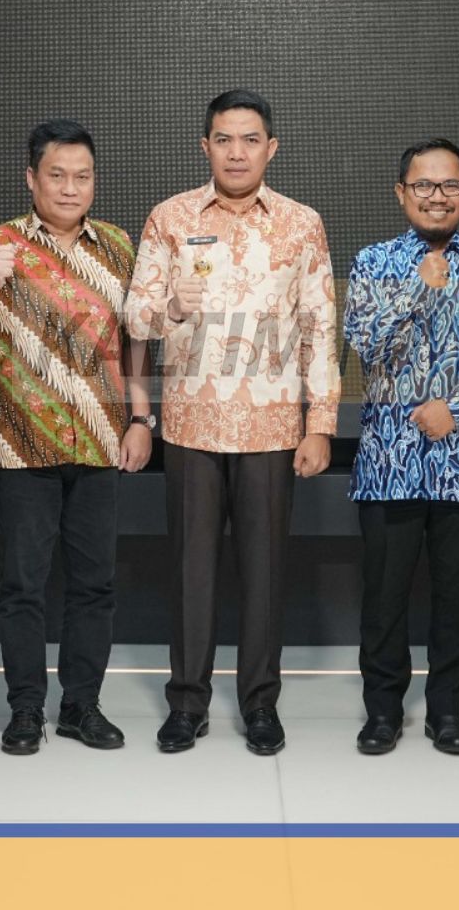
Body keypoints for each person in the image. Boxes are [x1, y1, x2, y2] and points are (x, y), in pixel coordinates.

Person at [123, 90, 340, 755]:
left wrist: (320, 423)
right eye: (224, 139)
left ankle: (260, 705)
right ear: (205, 147)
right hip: (192, 425)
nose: (237, 152)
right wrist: (170, 306)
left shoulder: (302, 224)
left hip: (272, 428)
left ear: (271, 149)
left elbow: (320, 327)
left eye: (250, 140)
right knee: (191, 572)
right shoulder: (170, 217)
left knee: (265, 573)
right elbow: (134, 319)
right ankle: (186, 703)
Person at [0, 119, 154, 755]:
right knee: (23, 586)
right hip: (21, 445)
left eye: (82, 177)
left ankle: (81, 707)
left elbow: (134, 339)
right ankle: (25, 710)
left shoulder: (118, 245)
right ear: (31, 179)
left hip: (99, 442)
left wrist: (140, 418)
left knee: (95, 584)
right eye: (57, 176)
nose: (70, 188)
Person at [344, 138, 459, 756]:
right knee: (384, 599)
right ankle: (382, 712)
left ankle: (447, 711)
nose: (437, 197)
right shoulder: (374, 262)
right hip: (389, 464)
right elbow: (363, 345)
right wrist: (417, 291)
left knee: (458, 598)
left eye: (449, 185)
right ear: (401, 193)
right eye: (423, 185)